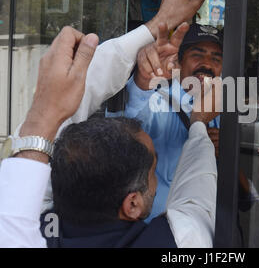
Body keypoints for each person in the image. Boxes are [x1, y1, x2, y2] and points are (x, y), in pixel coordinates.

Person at [0, 22, 220, 248]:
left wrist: (156, 23)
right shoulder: (176, 241)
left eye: (217, 57)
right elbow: (197, 198)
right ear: (132, 204)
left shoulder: (31, 231)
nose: (207, 63)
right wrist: (198, 125)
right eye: (152, 169)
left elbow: (21, 197)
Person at [106, 22, 223, 222]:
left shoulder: (221, 108)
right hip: (153, 231)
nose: (207, 64)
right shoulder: (155, 98)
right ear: (179, 60)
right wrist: (142, 82)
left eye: (216, 58)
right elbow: (125, 124)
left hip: (202, 227)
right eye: (198, 54)